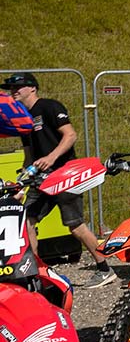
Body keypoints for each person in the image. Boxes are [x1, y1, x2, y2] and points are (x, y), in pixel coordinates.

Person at [1, 73, 115, 288]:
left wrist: (51, 158)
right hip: (39, 178)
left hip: (64, 174)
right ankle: (35, 273)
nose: (13, 91)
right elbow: (29, 150)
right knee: (26, 221)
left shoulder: (49, 107)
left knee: (75, 226)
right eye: (10, 88)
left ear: (33, 88)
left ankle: (104, 269)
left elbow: (70, 135)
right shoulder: (22, 116)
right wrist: (24, 172)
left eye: (18, 87)